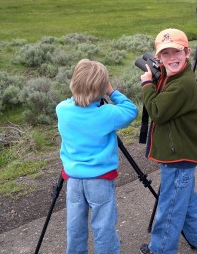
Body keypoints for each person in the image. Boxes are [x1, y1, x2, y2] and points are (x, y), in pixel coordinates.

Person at [139, 28, 197, 254]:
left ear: (187, 53)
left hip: (177, 156)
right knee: (186, 203)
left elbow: (158, 111)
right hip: (181, 153)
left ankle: (161, 249)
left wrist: (147, 85)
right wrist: (157, 73)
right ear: (159, 58)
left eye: (176, 52)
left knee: (170, 208)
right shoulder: (177, 76)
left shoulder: (182, 84)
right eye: (165, 54)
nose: (172, 58)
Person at [56, 58, 138, 254]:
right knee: (103, 226)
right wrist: (111, 91)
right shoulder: (107, 114)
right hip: (100, 180)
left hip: (74, 180)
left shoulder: (62, 110)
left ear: (73, 84)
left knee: (75, 226)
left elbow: (72, 101)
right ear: (101, 89)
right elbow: (131, 110)